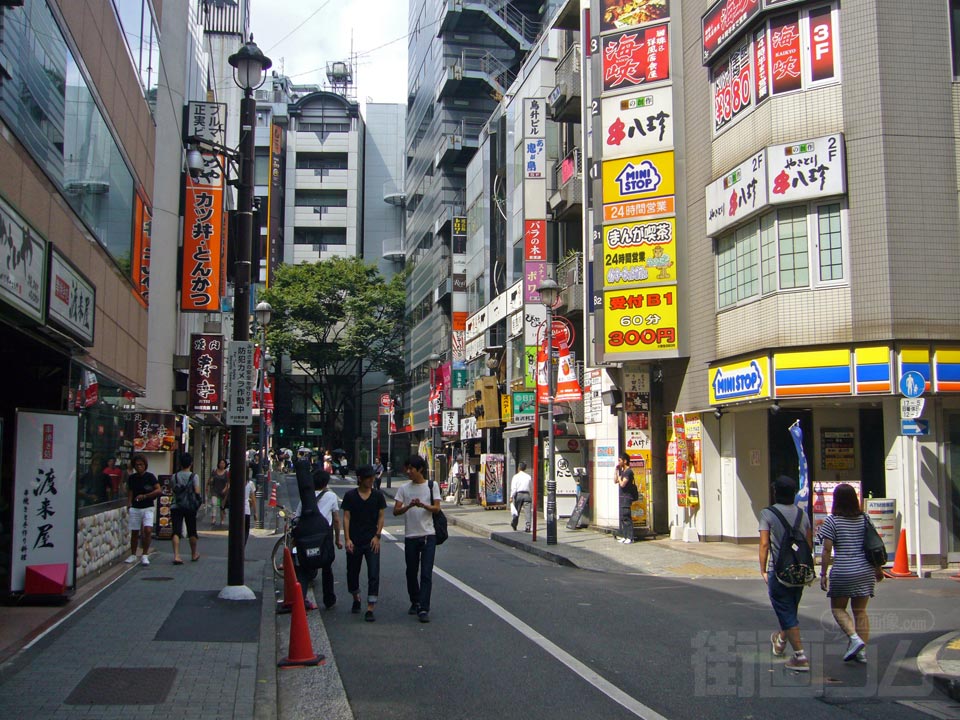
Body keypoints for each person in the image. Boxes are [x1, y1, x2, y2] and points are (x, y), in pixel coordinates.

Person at [818, 483, 883, 664]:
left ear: (836, 501)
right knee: (860, 611)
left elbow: (826, 550)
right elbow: (874, 545)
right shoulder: (865, 519)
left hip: (843, 570)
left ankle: (854, 639)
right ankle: (862, 652)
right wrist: (878, 569)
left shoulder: (832, 521)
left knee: (838, 608)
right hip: (865, 569)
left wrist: (823, 573)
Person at [759, 475, 812, 672]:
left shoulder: (768, 514)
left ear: (775, 493)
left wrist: (763, 569)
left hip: (778, 570)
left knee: (785, 610)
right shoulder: (802, 515)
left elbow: (764, 543)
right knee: (790, 608)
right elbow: (808, 543)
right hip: (799, 570)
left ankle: (800, 656)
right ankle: (781, 639)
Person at [393, 455, 441, 623]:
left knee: (426, 573)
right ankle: (415, 600)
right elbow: (395, 511)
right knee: (411, 572)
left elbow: (436, 508)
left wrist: (423, 505)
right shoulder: (404, 489)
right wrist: (409, 506)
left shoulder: (431, 485)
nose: (408, 472)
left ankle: (423, 607)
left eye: (411, 469)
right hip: (411, 535)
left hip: (428, 534)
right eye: (407, 468)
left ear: (420, 469)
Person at [342, 464, 386, 621]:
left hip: (371, 540)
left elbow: (381, 516)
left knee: (373, 573)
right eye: (368, 477)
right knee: (352, 572)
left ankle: (370, 607)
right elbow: (346, 517)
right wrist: (347, 539)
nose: (371, 480)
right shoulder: (350, 496)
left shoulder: (378, 496)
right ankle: (356, 598)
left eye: (372, 477)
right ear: (360, 479)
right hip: (354, 540)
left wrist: (378, 535)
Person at [294, 469, 342, 610]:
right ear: (326, 483)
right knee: (327, 567)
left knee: (303, 568)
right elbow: (336, 520)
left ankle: (300, 600)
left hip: (306, 535)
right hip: (324, 536)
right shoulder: (331, 496)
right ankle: (329, 598)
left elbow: (297, 517)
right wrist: (338, 539)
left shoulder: (306, 497)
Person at [126, 454, 162, 565]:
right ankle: (133, 554)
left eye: (141, 464)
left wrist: (146, 496)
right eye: (136, 465)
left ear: (145, 465)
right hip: (136, 508)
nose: (139, 467)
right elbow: (130, 492)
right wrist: (129, 505)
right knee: (135, 532)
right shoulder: (132, 478)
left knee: (148, 530)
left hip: (148, 507)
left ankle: (145, 554)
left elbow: (158, 490)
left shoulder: (150, 477)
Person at [170, 452, 201, 564]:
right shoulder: (194, 476)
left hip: (176, 505)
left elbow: (174, 489)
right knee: (192, 530)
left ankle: (177, 555)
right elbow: (197, 491)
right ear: (191, 464)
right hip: (189, 506)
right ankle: (193, 554)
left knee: (176, 531)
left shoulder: (174, 476)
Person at [616, 453, 637, 544]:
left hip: (627, 497)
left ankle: (630, 537)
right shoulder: (622, 471)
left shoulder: (629, 472)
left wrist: (620, 478)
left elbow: (622, 484)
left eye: (620, 460)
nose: (618, 462)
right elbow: (615, 481)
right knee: (622, 517)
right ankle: (624, 536)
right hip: (621, 497)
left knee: (626, 516)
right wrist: (616, 472)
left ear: (625, 461)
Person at [510, 461, 532, 532]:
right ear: (525, 468)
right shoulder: (528, 477)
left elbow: (514, 488)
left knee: (517, 511)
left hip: (518, 495)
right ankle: (528, 526)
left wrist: (511, 496)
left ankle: (514, 524)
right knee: (527, 512)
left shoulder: (516, 476)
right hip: (527, 495)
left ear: (519, 468)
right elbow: (531, 487)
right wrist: (530, 494)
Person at [244, 472, 257, 546]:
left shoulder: (235, 481)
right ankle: (243, 546)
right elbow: (254, 500)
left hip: (236, 511)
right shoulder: (250, 483)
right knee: (246, 531)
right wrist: (255, 512)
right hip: (246, 511)